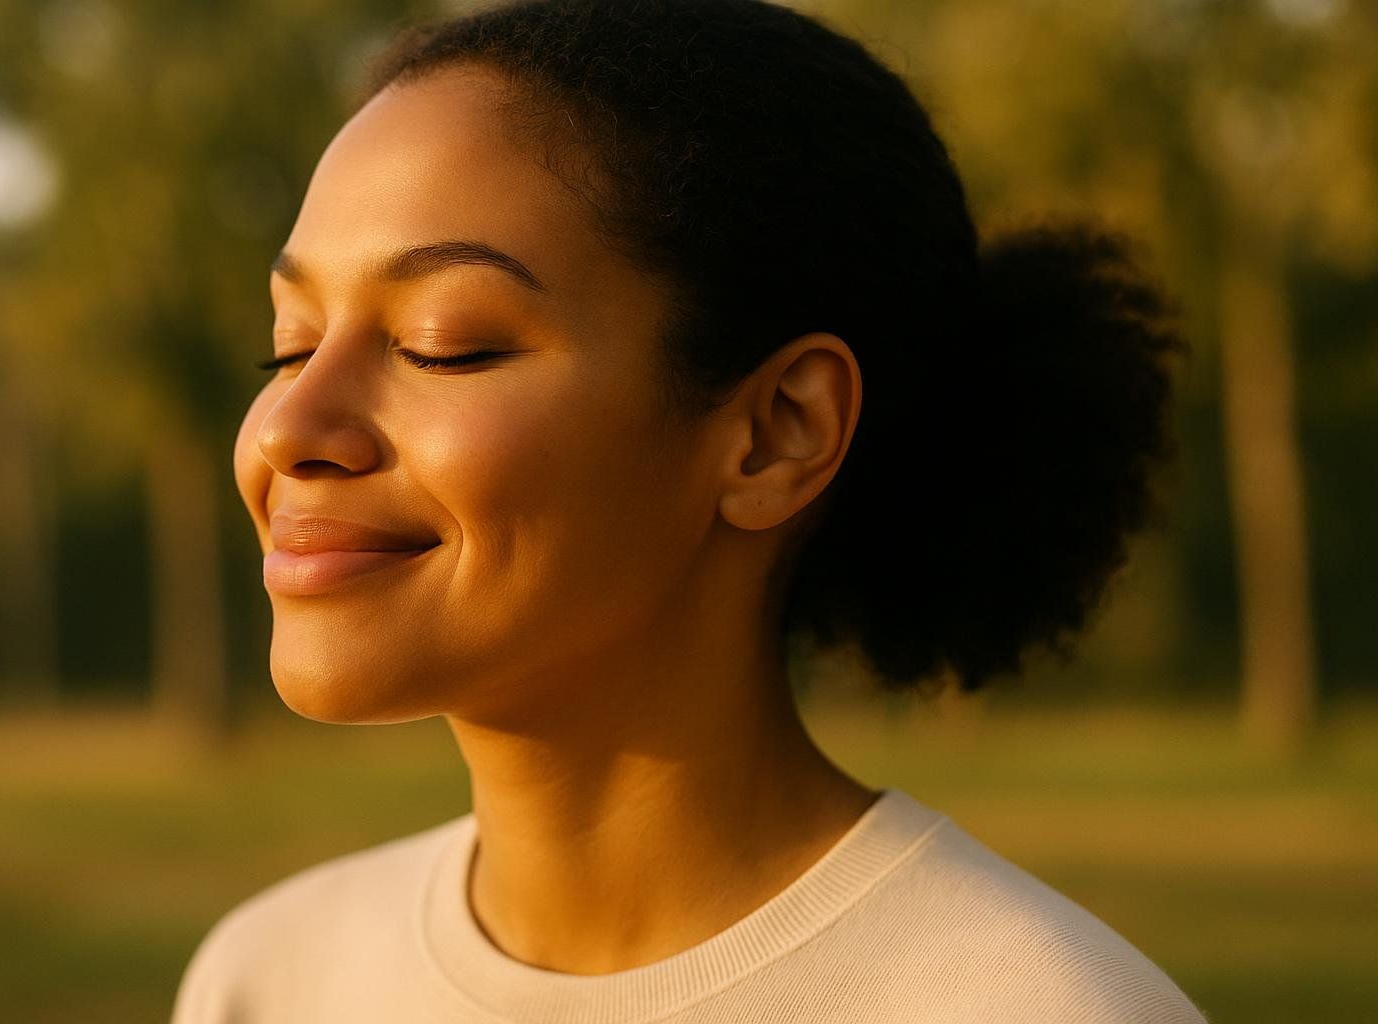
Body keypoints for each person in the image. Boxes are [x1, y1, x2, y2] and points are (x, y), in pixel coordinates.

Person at [172, 0, 1208, 1020]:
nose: (284, 427)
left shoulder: (1035, 1005)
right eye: (292, 344)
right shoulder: (270, 978)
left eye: (446, 343)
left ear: (778, 431)